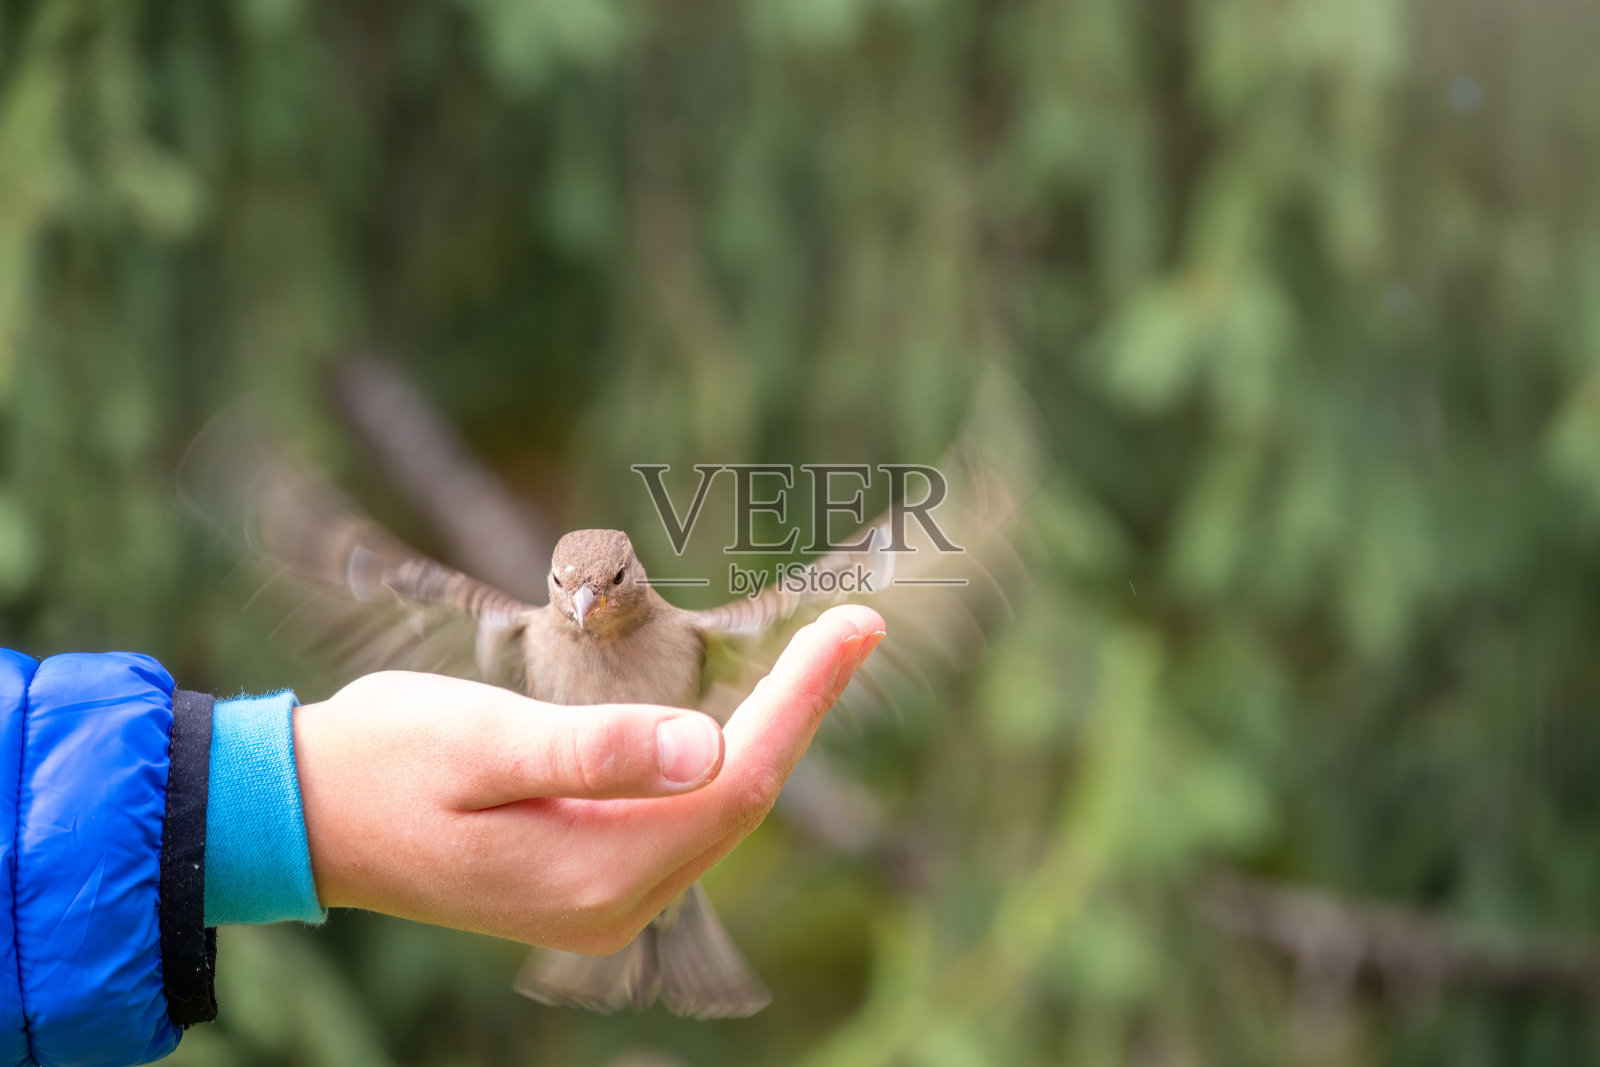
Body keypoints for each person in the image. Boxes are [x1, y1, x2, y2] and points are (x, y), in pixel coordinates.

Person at [0, 604, 884, 1066]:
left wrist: (264, 786)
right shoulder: (525, 626)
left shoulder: (686, 631)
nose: (580, 606)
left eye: (605, 585)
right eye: (564, 589)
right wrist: (313, 799)